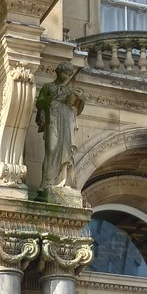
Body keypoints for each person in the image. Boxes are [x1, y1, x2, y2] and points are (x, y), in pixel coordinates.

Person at [36, 61, 84, 199]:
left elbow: (77, 109)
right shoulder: (48, 87)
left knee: (66, 151)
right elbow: (39, 103)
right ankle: (46, 182)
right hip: (53, 120)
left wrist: (82, 99)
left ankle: (62, 181)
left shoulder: (70, 90)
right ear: (58, 72)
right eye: (65, 73)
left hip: (66, 121)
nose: (67, 76)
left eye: (70, 74)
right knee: (51, 149)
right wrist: (54, 96)